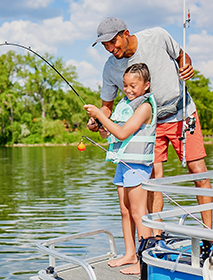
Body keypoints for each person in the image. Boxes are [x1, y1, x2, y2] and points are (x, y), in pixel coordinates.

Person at [88, 17, 212, 271]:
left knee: (198, 172)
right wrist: (97, 121)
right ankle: (153, 245)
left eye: (113, 42)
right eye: (105, 46)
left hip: (181, 112)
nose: (111, 49)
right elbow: (107, 107)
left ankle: (210, 237)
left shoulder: (157, 35)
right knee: (151, 180)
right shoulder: (110, 68)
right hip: (147, 125)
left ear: (125, 33)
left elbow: (182, 56)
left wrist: (187, 65)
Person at [85, 63, 155, 275]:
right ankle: (130, 254)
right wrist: (100, 127)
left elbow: (124, 133)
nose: (128, 90)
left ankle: (145, 262)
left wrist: (100, 113)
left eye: (133, 85)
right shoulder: (124, 104)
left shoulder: (145, 107)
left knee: (138, 212)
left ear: (146, 86)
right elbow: (113, 132)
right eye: (125, 85)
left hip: (137, 165)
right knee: (125, 211)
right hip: (123, 164)